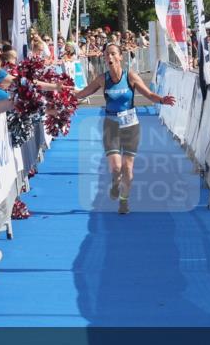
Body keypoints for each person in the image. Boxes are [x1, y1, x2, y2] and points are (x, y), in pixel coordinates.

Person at [72, 42, 176, 215]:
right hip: (111, 126)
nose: (110, 57)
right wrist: (61, 95)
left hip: (130, 126)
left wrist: (162, 100)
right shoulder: (102, 79)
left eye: (113, 53)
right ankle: (115, 181)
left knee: (127, 168)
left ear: (120, 57)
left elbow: (149, 94)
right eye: (107, 54)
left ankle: (124, 200)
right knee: (116, 168)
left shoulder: (130, 76)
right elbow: (82, 93)